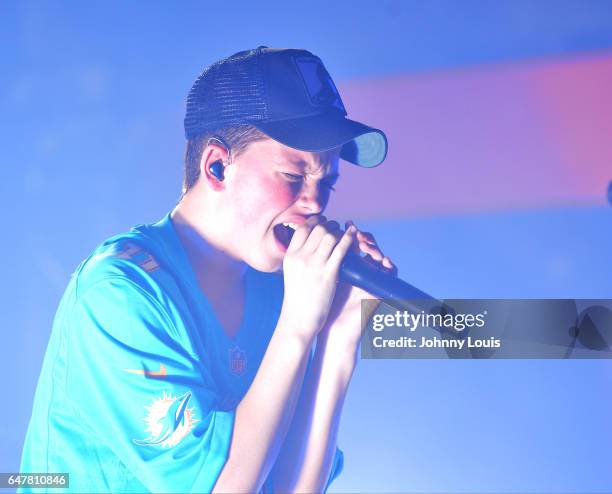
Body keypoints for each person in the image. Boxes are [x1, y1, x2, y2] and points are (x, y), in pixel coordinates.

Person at [20, 46, 395, 493]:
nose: (315, 204)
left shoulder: (276, 295)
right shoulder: (119, 294)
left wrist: (337, 338)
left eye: (326, 183)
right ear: (217, 165)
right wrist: (298, 327)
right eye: (293, 177)